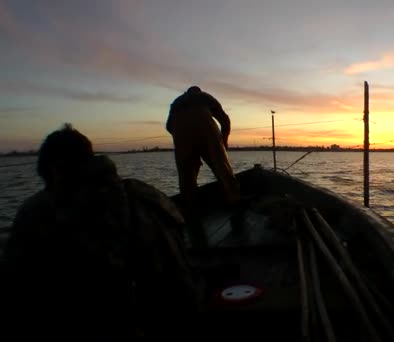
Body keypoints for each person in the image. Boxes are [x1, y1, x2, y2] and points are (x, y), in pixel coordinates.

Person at [1, 124, 199, 338]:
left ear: (54, 171)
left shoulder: (37, 211)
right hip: (180, 319)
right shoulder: (147, 195)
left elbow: (16, 287)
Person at [166, 86, 240, 246]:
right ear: (197, 91)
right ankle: (235, 203)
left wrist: (183, 140)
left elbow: (168, 126)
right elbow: (224, 119)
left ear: (187, 92)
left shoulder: (176, 102)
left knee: (187, 178)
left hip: (180, 135)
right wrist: (224, 139)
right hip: (207, 131)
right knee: (222, 169)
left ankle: (191, 214)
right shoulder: (205, 96)